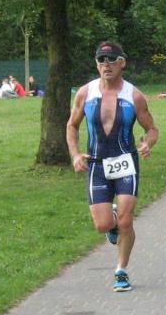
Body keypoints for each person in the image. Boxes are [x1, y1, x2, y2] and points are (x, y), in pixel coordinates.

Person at [66, 41, 159, 292]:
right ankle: (113, 219)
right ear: (96, 64)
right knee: (103, 225)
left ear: (122, 63)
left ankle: (121, 270)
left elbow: (152, 129)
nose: (106, 65)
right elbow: (72, 125)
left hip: (125, 162)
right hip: (96, 164)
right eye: (101, 60)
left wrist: (148, 143)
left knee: (127, 222)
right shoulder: (85, 93)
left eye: (111, 60)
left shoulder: (134, 96)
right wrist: (75, 154)